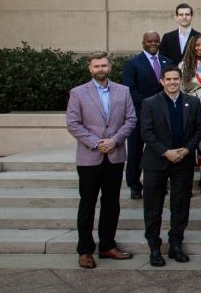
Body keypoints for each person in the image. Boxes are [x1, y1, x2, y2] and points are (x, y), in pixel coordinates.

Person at [65, 52, 137, 269]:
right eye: (96, 66)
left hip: (115, 156)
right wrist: (97, 143)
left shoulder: (123, 91)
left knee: (111, 204)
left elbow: (131, 119)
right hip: (90, 157)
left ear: (110, 67)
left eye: (104, 65)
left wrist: (114, 140)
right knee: (87, 204)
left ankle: (107, 245)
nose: (100, 69)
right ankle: (85, 250)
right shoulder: (78, 93)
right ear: (90, 68)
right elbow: (73, 123)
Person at [139, 66, 201, 266]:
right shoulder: (150, 103)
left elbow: (199, 130)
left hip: (183, 162)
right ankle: (155, 248)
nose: (173, 82)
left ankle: (176, 245)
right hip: (156, 162)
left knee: (180, 206)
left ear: (181, 80)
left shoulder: (192, 102)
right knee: (153, 207)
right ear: (162, 81)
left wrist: (186, 150)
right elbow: (146, 132)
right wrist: (166, 152)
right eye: (169, 79)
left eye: (176, 79)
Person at [123, 31, 174, 200]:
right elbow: (130, 90)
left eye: (156, 41)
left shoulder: (168, 62)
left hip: (164, 116)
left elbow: (171, 87)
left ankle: (160, 184)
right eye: (149, 41)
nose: (153, 43)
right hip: (139, 114)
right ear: (143, 42)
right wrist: (151, 104)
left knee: (160, 149)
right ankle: (134, 184)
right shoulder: (133, 63)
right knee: (136, 150)